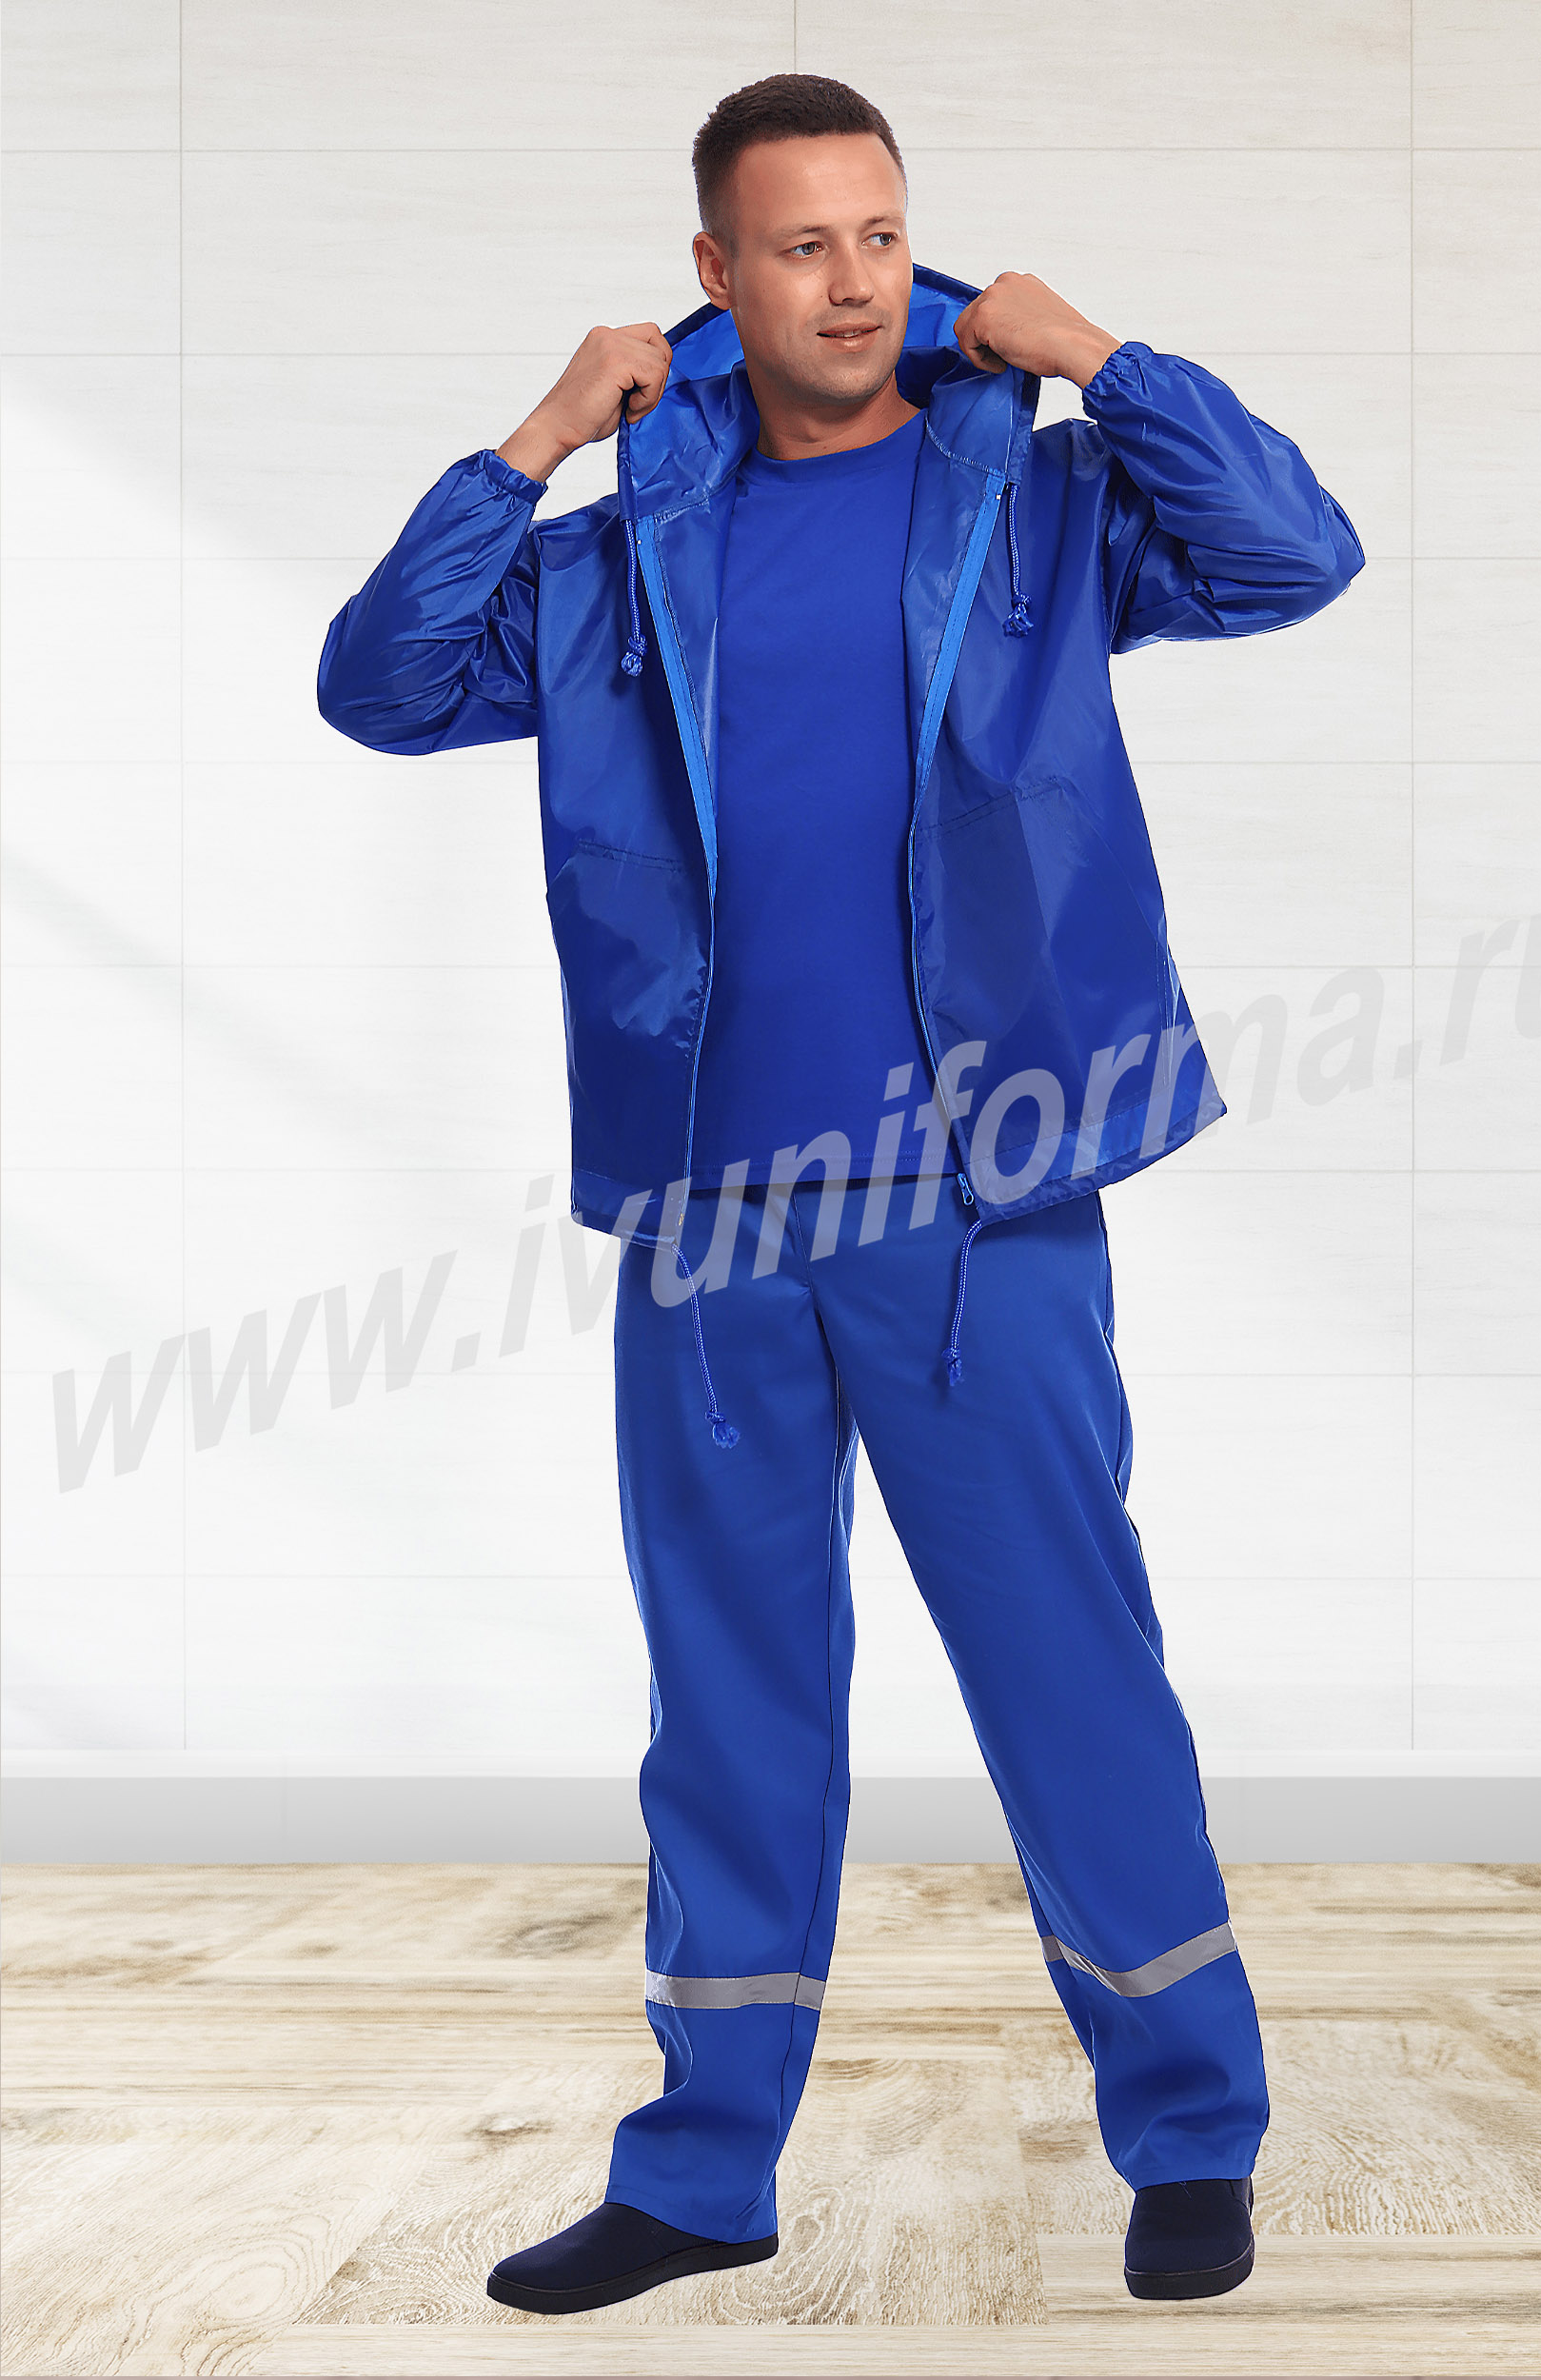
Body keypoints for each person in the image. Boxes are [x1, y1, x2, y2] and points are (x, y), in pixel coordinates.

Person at [318, 71, 1364, 2318]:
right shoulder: (615, 555)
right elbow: (379, 687)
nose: (855, 281)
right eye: (801, 245)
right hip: (710, 1219)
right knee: (728, 1704)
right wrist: (534, 441)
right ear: (715, 271)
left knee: (1069, 1674)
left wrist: (1097, 356)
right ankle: (705, 2168)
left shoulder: (1044, 506)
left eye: (883, 235)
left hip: (979, 1205)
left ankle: (1191, 2128)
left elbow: (1296, 553)